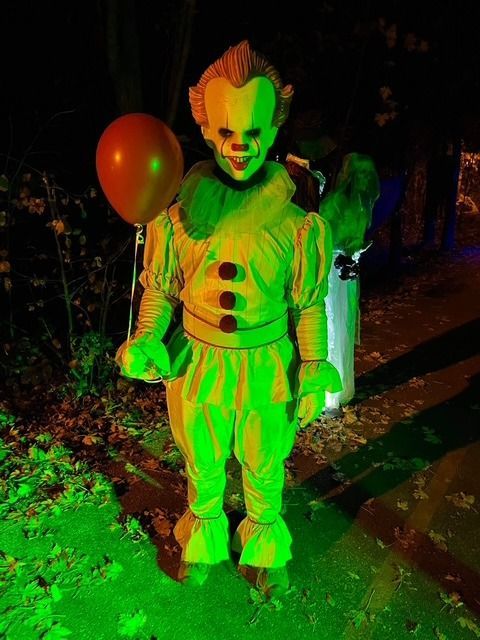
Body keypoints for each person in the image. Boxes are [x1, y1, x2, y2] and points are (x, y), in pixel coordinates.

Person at [115, 40, 340, 597]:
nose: (240, 145)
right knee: (203, 458)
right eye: (226, 131)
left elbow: (308, 303)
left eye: (253, 131)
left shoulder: (295, 225)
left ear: (274, 126)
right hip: (198, 360)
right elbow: (161, 288)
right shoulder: (179, 216)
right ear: (207, 128)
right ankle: (204, 538)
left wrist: (314, 364)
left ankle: (264, 546)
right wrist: (146, 336)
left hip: (266, 364)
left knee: (264, 462)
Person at [320, 153, 380, 416]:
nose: (365, 179)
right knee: (331, 327)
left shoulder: (362, 205)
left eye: (368, 174)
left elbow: (354, 241)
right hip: (331, 276)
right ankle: (328, 395)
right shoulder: (335, 203)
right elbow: (321, 238)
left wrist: (355, 254)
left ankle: (341, 387)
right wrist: (341, 255)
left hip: (347, 276)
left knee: (344, 326)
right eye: (361, 174)